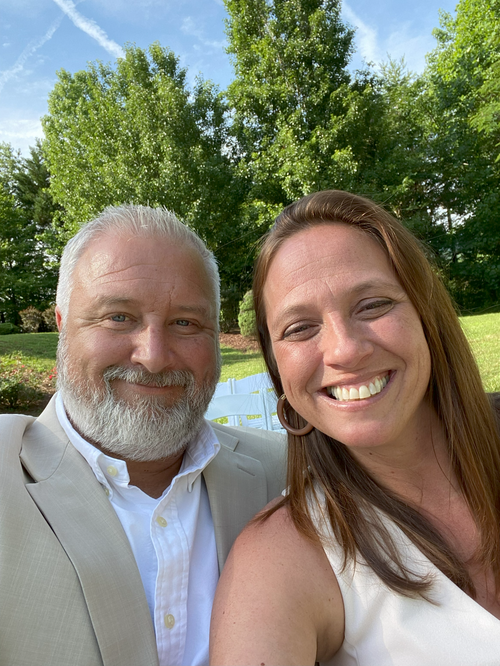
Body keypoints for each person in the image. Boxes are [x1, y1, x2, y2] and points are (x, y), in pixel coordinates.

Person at [210, 190, 500, 666]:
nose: (344, 350)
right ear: (278, 368)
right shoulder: (282, 559)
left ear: (426, 315)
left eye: (372, 305)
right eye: (300, 328)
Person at [0, 204, 285, 666]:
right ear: (62, 325)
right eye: (118, 317)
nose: (153, 357)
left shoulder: (288, 471)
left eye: (185, 323)